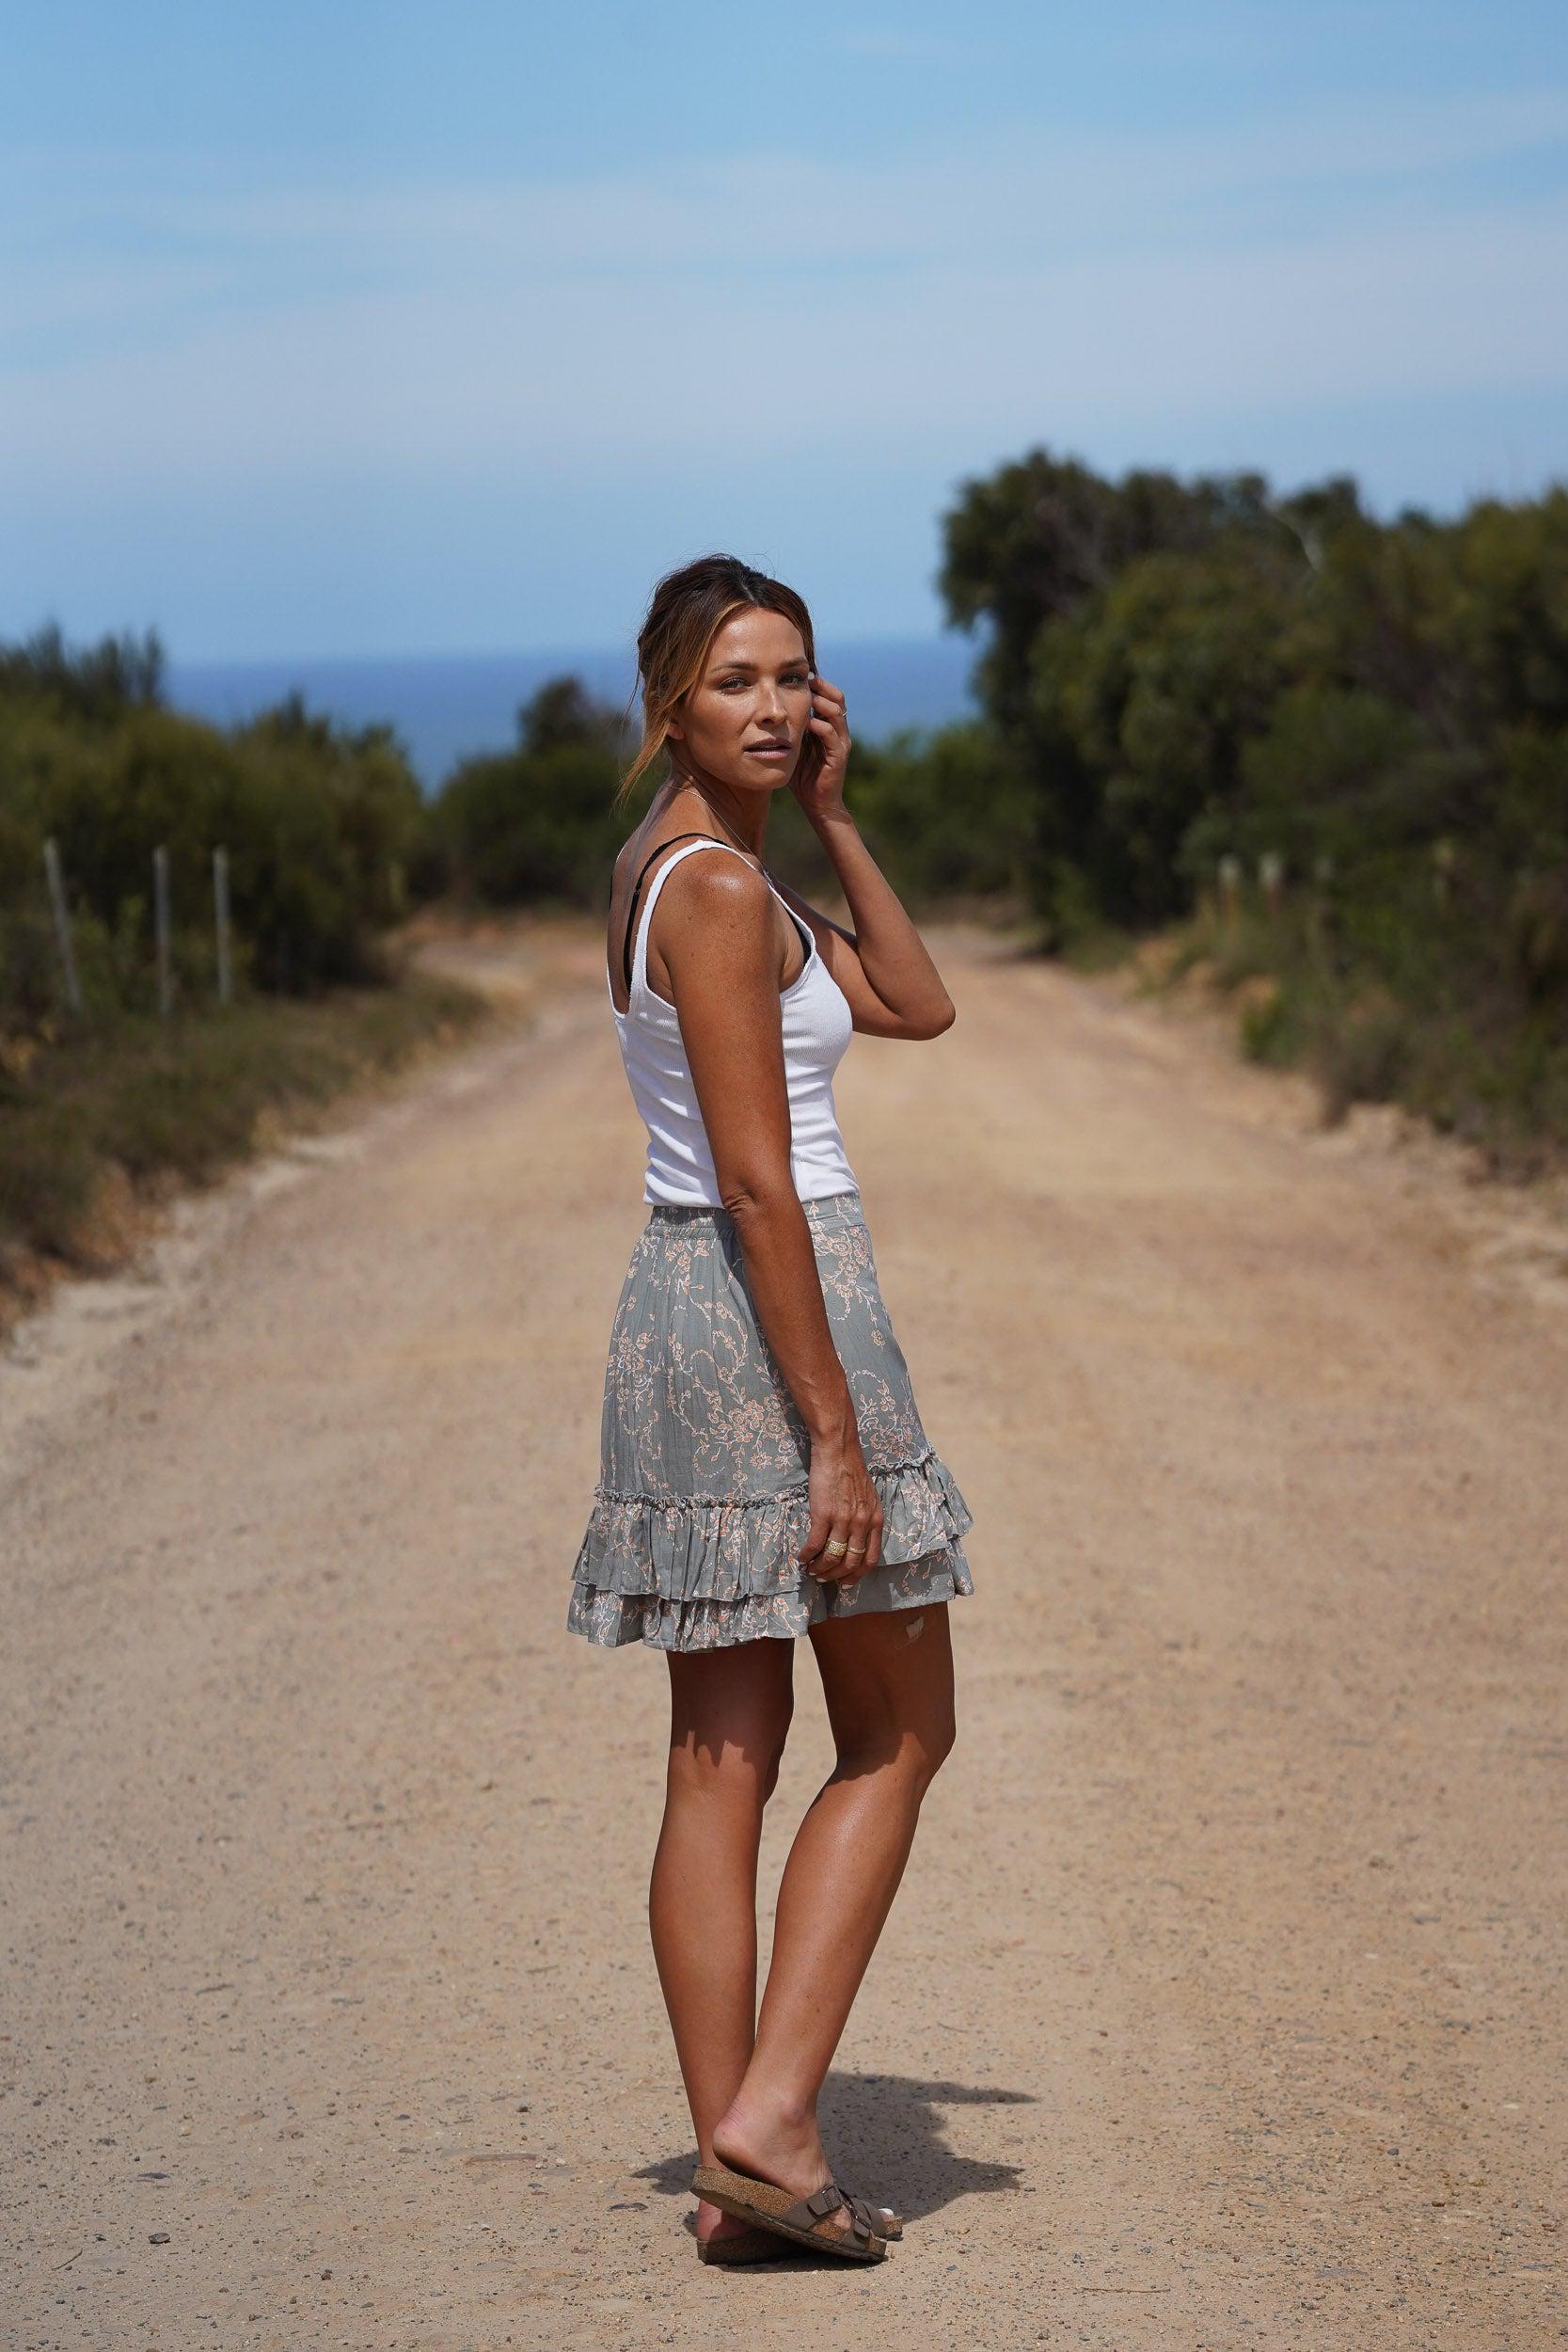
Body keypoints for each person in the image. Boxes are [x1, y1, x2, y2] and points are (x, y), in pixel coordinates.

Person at [567, 552, 975, 2265]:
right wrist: (827, 1431)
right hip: (768, 1317)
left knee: (720, 1757)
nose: (776, 704)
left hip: (687, 1315)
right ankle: (773, 2112)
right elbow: (755, 1181)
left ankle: (742, 2163)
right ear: (671, 701)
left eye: (795, 677)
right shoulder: (720, 897)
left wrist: (832, 817)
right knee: (899, 1728)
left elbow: (919, 1002)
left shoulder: (693, 870)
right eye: (737, 680)